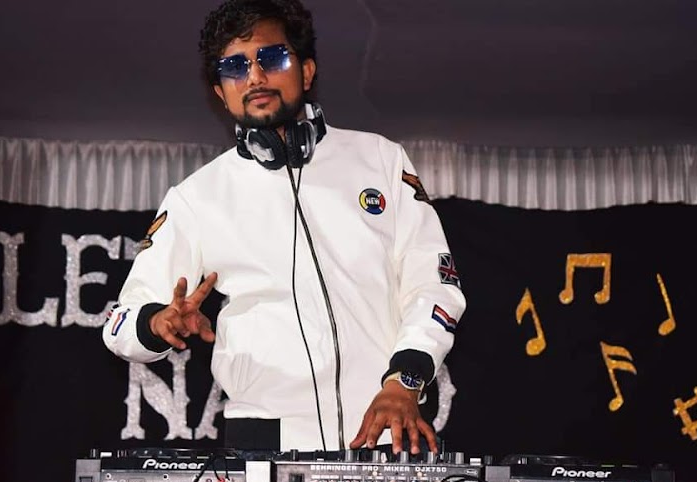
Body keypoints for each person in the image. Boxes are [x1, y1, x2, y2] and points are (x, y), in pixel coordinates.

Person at [102, 0, 465, 456]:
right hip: (264, 446)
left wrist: (404, 380)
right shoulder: (197, 197)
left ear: (306, 72)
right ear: (221, 93)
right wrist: (157, 322)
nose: (254, 77)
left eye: (271, 58)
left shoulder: (381, 160)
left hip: (384, 429)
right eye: (235, 67)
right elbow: (119, 323)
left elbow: (435, 286)